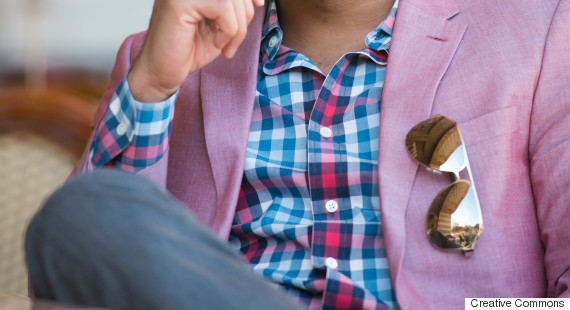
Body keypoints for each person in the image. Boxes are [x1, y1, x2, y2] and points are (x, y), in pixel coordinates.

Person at [24, 0, 570, 309]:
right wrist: (152, 85)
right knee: (79, 214)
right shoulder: (162, 57)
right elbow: (73, 278)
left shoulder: (542, 32)